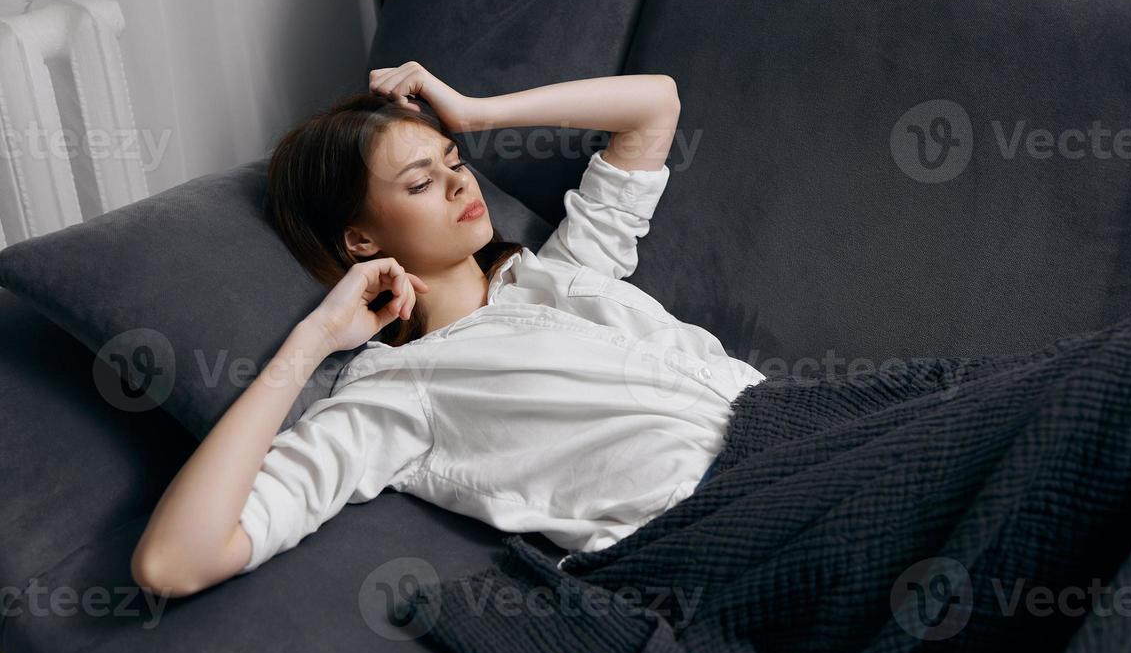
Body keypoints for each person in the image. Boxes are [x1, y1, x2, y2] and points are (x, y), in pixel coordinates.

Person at [130, 64, 763, 598]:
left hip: (796, 422)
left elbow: (656, 104)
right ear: (361, 241)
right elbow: (174, 561)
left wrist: (471, 112)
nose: (462, 180)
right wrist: (315, 337)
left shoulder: (563, 269)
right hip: (724, 527)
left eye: (454, 160)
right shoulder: (397, 394)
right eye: (421, 181)